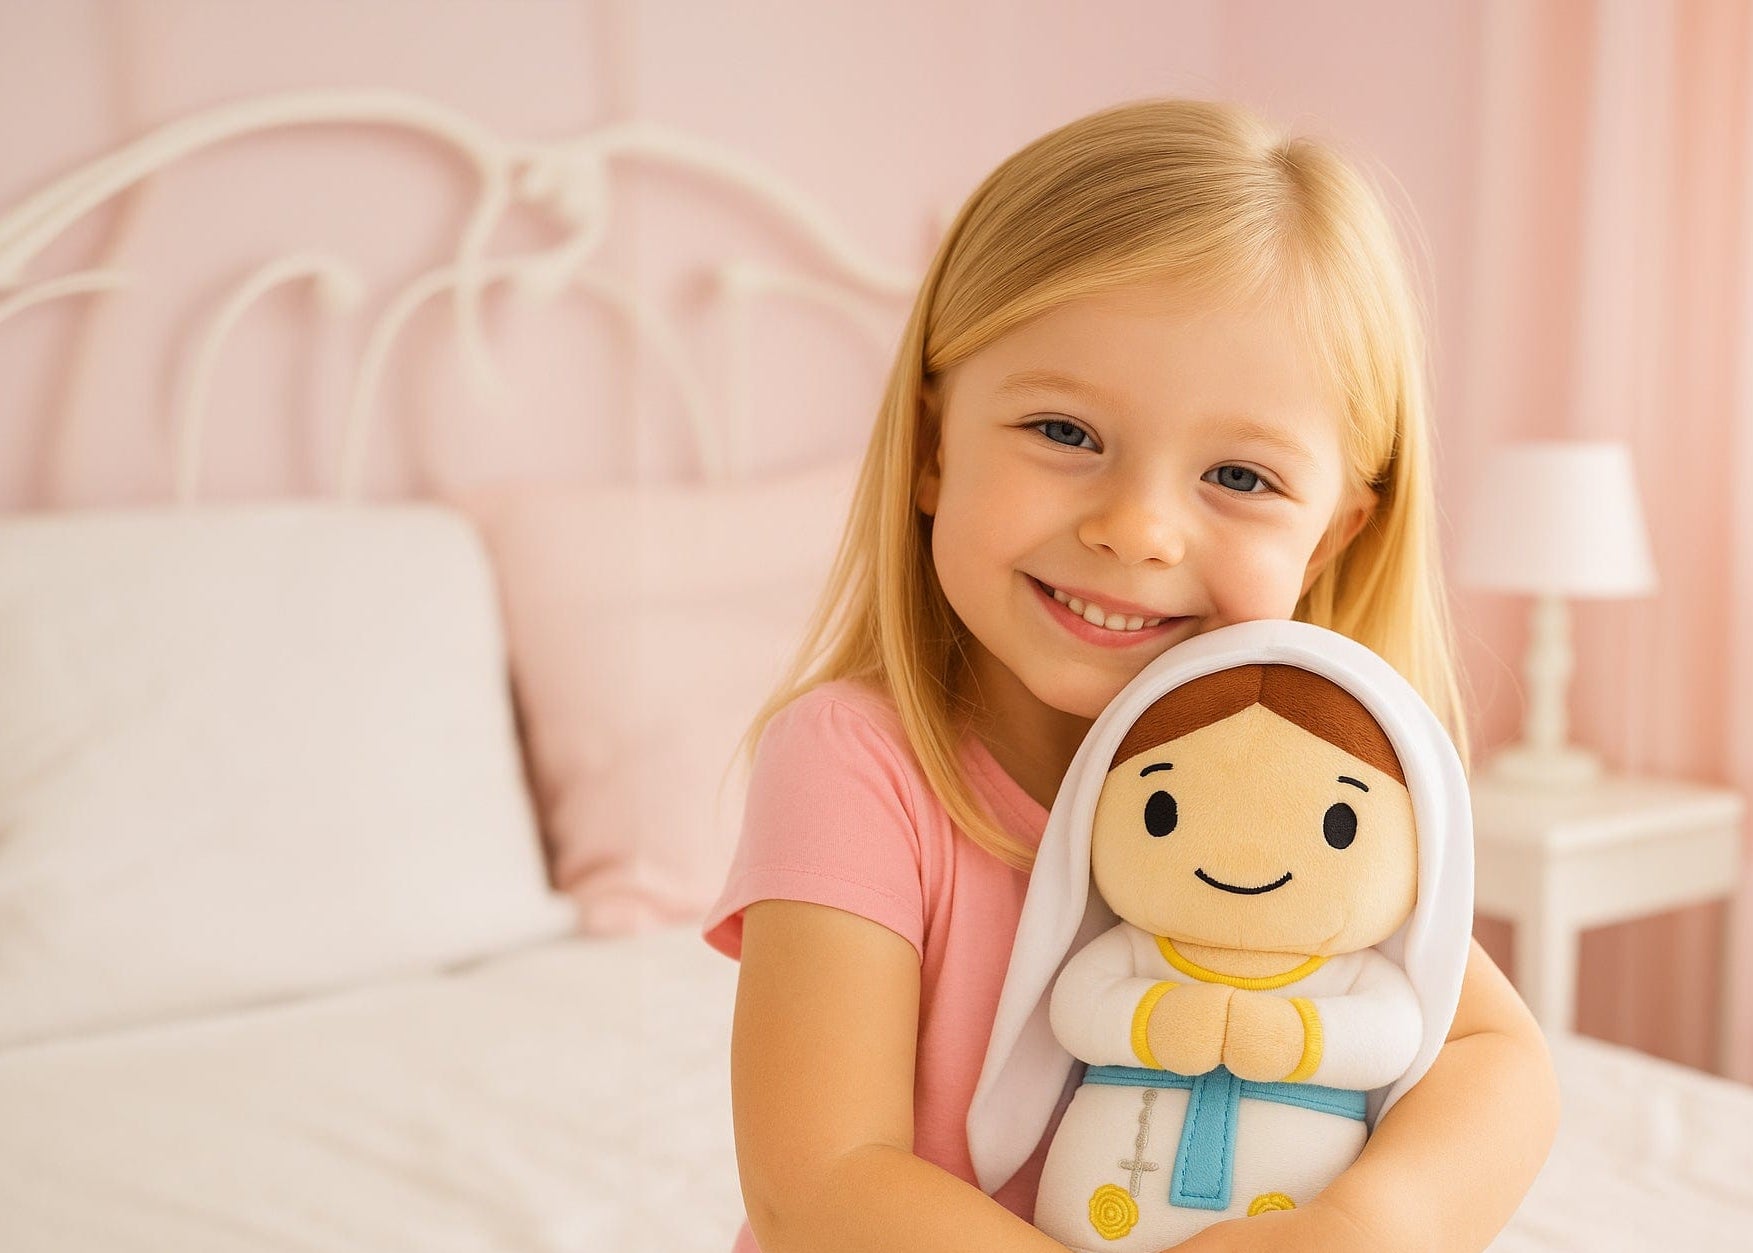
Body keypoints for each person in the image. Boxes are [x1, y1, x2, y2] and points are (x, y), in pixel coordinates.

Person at [701, 97, 1558, 1253]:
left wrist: (1364, 1222)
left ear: (1334, 535)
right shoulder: (857, 761)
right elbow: (819, 1183)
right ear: (932, 445)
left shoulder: (1321, 780)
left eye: (1240, 477)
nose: (1138, 528)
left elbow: (1494, 1059)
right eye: (1064, 432)